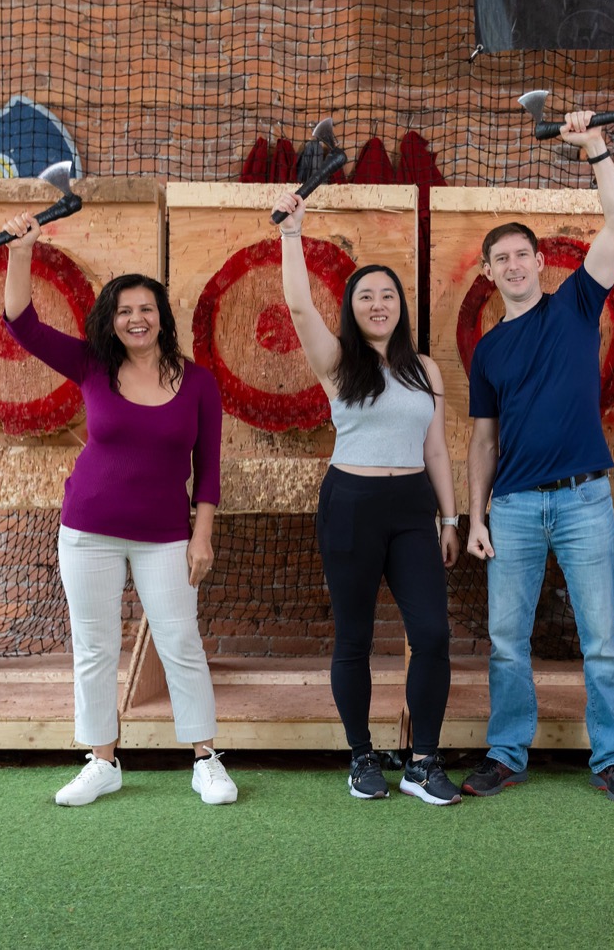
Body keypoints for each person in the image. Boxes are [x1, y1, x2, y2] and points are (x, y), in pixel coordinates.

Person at [0, 212, 236, 807]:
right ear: (111, 320)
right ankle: (102, 762)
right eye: (124, 310)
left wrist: (201, 534)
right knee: (95, 647)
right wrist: (22, 251)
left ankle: (205, 760)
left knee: (180, 642)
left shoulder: (200, 383)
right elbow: (22, 324)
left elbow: (208, 468)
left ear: (162, 318)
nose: (136, 318)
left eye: (146, 308)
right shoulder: (91, 365)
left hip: (166, 536)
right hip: (88, 532)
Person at [461, 110, 614, 803]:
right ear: (488, 273)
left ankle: (612, 758)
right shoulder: (487, 352)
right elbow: (483, 441)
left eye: (522, 254)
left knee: (601, 640)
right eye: (501, 259)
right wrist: (475, 516)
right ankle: (506, 753)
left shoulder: (575, 305)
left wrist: (594, 146)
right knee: (507, 640)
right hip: (511, 509)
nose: (513, 265)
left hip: (583, 500)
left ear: (540, 262)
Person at [271, 190, 462, 806]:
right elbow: (299, 306)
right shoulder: (335, 361)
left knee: (432, 634)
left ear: (400, 307)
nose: (378, 304)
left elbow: (436, 450)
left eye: (387, 295)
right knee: (354, 638)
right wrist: (292, 234)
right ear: (352, 309)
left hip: (413, 509)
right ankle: (361, 757)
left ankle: (423, 761)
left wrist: (450, 519)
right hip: (351, 504)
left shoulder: (425, 370)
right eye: (365, 296)